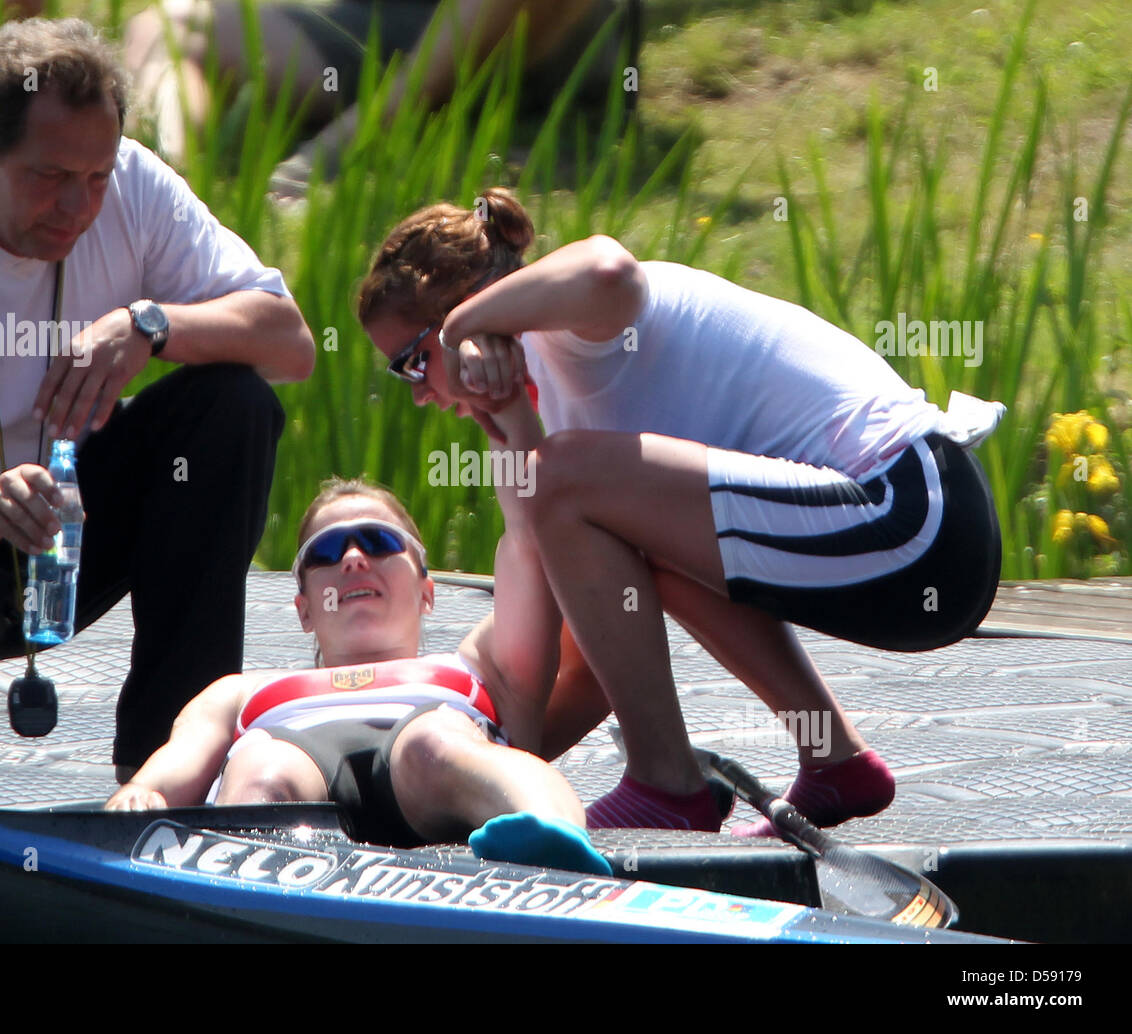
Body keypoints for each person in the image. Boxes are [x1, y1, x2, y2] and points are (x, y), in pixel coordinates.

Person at [358, 187, 1004, 834]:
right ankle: (835, 760)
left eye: (413, 362)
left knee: (561, 480)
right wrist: (479, 776)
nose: (417, 395)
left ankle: (665, 782)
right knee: (599, 522)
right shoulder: (541, 406)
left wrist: (465, 327)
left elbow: (610, 268)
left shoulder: (578, 332)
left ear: (456, 311)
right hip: (910, 536)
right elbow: (579, 636)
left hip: (918, 518)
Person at [0, 18, 315, 798]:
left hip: (60, 529)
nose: (78, 206)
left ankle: (163, 768)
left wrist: (150, 327)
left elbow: (291, 344)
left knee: (233, 404)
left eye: (96, 177)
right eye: (49, 176)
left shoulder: (133, 188)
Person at [106, 477, 610, 876]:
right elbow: (170, 771)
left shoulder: (479, 662)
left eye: (378, 541)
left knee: (434, 741)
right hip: (291, 776)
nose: (351, 559)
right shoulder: (239, 692)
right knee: (263, 765)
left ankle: (553, 843)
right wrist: (141, 795)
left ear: (427, 591)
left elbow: (541, 554)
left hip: (431, 766)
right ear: (304, 610)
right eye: (325, 552)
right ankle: (242, 901)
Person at [120, 0, 638, 191]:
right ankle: (169, 186)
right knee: (172, 26)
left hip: (547, 32)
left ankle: (352, 141)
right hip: (389, 23)